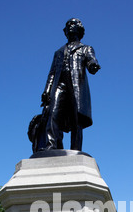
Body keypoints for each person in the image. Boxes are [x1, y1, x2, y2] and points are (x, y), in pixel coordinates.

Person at [41, 18, 101, 151]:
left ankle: (75, 149)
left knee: (76, 119)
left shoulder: (86, 48)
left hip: (76, 86)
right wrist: (46, 90)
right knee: (53, 112)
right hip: (59, 84)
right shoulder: (59, 52)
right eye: (68, 25)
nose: (70, 26)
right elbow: (52, 73)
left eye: (73, 24)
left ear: (79, 28)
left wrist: (93, 65)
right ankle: (50, 146)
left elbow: (91, 60)